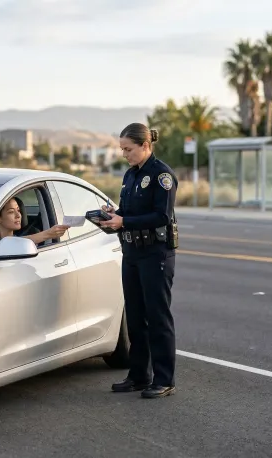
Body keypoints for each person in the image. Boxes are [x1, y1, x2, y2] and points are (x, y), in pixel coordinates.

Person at [99, 122, 179, 399]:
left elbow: (162, 216)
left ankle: (164, 379)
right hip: (131, 252)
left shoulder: (161, 175)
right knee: (134, 318)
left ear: (145, 145)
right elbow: (130, 211)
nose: (125, 154)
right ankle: (139, 375)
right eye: (122, 149)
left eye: (128, 149)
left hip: (155, 254)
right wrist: (114, 214)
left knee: (157, 317)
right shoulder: (131, 175)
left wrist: (125, 220)